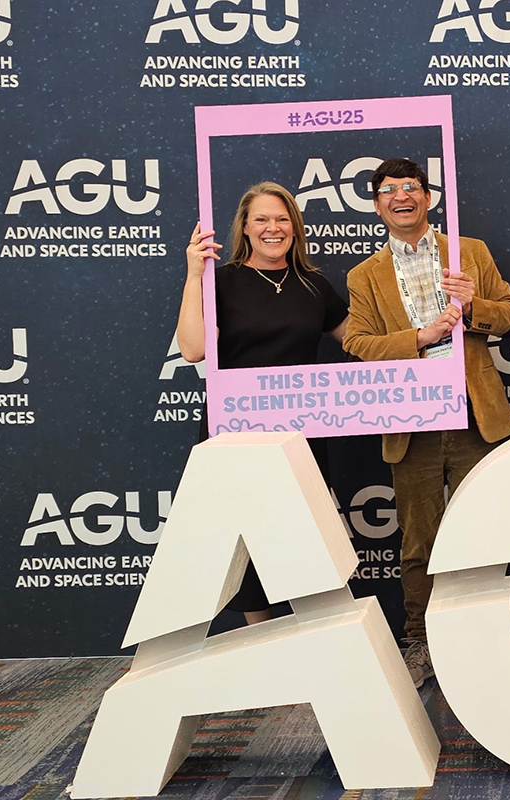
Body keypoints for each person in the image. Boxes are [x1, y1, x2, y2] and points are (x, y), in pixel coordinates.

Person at [342, 157, 510, 689]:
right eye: (388, 190)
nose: (401, 196)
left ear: (427, 196)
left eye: (411, 187)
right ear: (377, 204)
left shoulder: (470, 252)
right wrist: (420, 338)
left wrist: (473, 306)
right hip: (411, 421)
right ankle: (420, 639)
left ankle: (486, 638)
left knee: (484, 533)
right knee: (419, 541)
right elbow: (358, 343)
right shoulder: (364, 276)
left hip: (474, 416)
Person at [177, 181, 349, 625]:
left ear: (295, 226)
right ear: (245, 227)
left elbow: (360, 342)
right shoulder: (221, 281)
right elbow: (193, 349)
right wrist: (194, 276)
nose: (273, 228)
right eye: (262, 219)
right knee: (246, 534)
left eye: (282, 219)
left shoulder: (314, 285)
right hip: (237, 433)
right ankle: (261, 638)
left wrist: (427, 335)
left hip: (301, 433)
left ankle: (317, 635)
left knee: (306, 536)